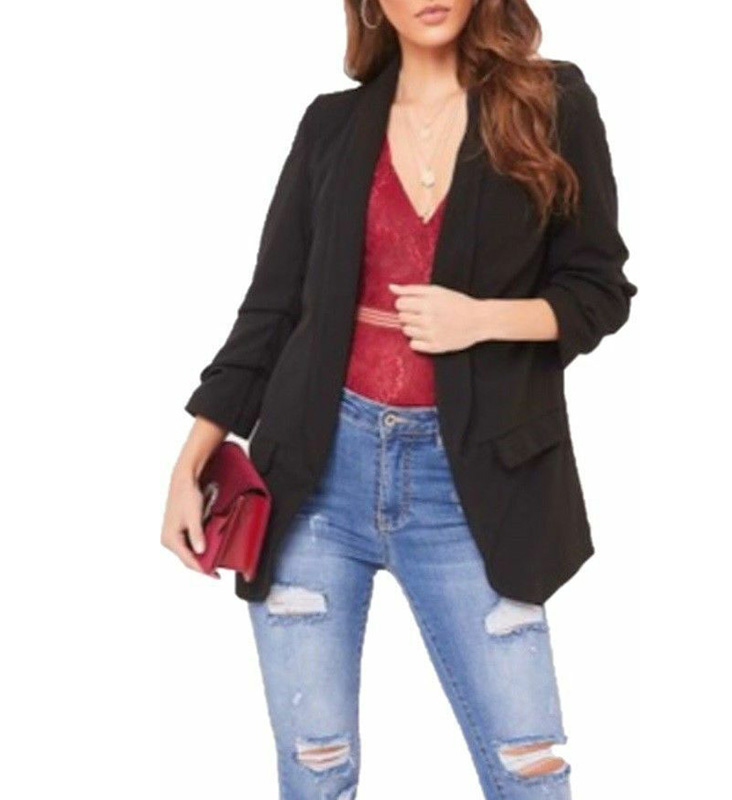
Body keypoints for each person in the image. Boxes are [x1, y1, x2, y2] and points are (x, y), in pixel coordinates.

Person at [161, 1, 636, 797]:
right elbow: (271, 310)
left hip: (475, 482)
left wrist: (481, 319)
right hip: (315, 481)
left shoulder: (551, 103)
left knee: (529, 770)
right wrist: (191, 462)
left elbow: (599, 289)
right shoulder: (331, 126)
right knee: (316, 772)